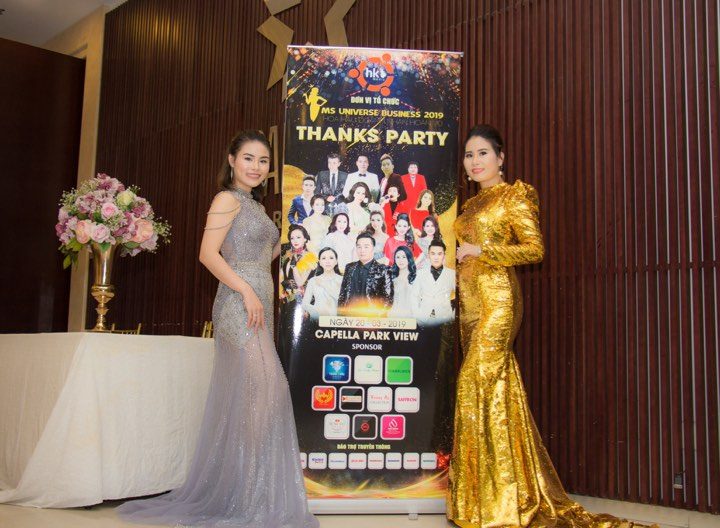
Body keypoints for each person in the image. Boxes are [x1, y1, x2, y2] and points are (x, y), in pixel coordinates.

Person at [448, 125, 648, 528]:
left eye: (483, 153)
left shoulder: (514, 195)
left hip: (498, 300)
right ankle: (490, 499)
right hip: (469, 304)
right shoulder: (469, 205)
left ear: (500, 158)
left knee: (473, 382)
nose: (475, 161)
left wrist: (482, 250)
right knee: (494, 391)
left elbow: (534, 249)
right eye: (469, 155)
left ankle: (498, 503)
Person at [117, 130, 317, 528]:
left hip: (258, 303)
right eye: (248, 158)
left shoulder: (255, 206)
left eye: (263, 161)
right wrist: (245, 290)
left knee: (257, 396)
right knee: (269, 389)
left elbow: (260, 254)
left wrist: (289, 245)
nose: (256, 167)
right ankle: (246, 491)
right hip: (238, 304)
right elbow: (207, 254)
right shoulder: (226, 199)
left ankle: (245, 490)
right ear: (231, 160)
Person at [337, 232, 393, 314]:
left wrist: (376, 317)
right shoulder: (349, 267)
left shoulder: (383, 270)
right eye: (359, 247)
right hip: (349, 317)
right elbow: (342, 295)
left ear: (373, 248)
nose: (362, 250)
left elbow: (388, 300)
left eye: (366, 247)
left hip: (371, 318)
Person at [414, 239, 455, 323]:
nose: (436, 257)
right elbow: (414, 296)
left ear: (444, 255)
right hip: (423, 319)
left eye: (439, 254)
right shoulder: (420, 273)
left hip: (445, 319)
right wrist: (417, 315)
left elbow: (459, 296)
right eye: (433, 254)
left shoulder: (452, 274)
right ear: (428, 255)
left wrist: (453, 315)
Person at [302, 247, 343, 318]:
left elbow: (344, 301)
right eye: (324, 258)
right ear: (320, 262)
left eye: (331, 258)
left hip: (336, 321)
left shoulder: (342, 280)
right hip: (318, 320)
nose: (327, 261)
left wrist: (324, 285)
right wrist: (316, 312)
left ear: (336, 261)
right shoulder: (313, 281)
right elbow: (305, 304)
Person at [280, 224, 317, 301]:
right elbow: (281, 275)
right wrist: (284, 282)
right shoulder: (289, 256)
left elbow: (300, 283)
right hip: (286, 299)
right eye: (292, 238)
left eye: (298, 237)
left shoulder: (310, 258)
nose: (295, 241)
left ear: (305, 239)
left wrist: (294, 266)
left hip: (302, 301)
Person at [387, 245, 419, 318]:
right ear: (395, 259)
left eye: (404, 257)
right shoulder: (392, 278)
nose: (401, 260)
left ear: (409, 258)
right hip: (394, 318)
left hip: (413, 319)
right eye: (398, 257)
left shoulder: (417, 277)